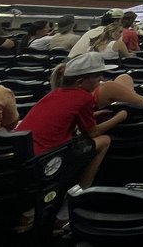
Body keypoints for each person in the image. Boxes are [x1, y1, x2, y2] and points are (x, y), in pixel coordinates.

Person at [16, 54, 128, 187]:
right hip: (47, 158)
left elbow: (64, 117)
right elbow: (92, 133)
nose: (102, 79)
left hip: (25, 154)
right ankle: (83, 187)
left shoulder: (55, 93)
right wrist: (119, 117)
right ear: (80, 82)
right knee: (105, 141)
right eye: (98, 76)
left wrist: (94, 114)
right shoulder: (84, 97)